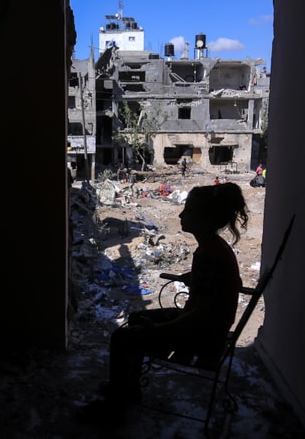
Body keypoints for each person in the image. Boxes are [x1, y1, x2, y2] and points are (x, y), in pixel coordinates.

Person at [79, 182, 249, 426]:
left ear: (205, 218)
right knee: (137, 318)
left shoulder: (209, 255)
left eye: (188, 210)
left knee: (121, 338)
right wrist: (192, 279)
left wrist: (159, 331)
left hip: (203, 338)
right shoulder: (215, 248)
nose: (181, 214)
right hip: (210, 328)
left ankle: (115, 407)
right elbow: (219, 286)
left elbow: (200, 315)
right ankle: (127, 389)